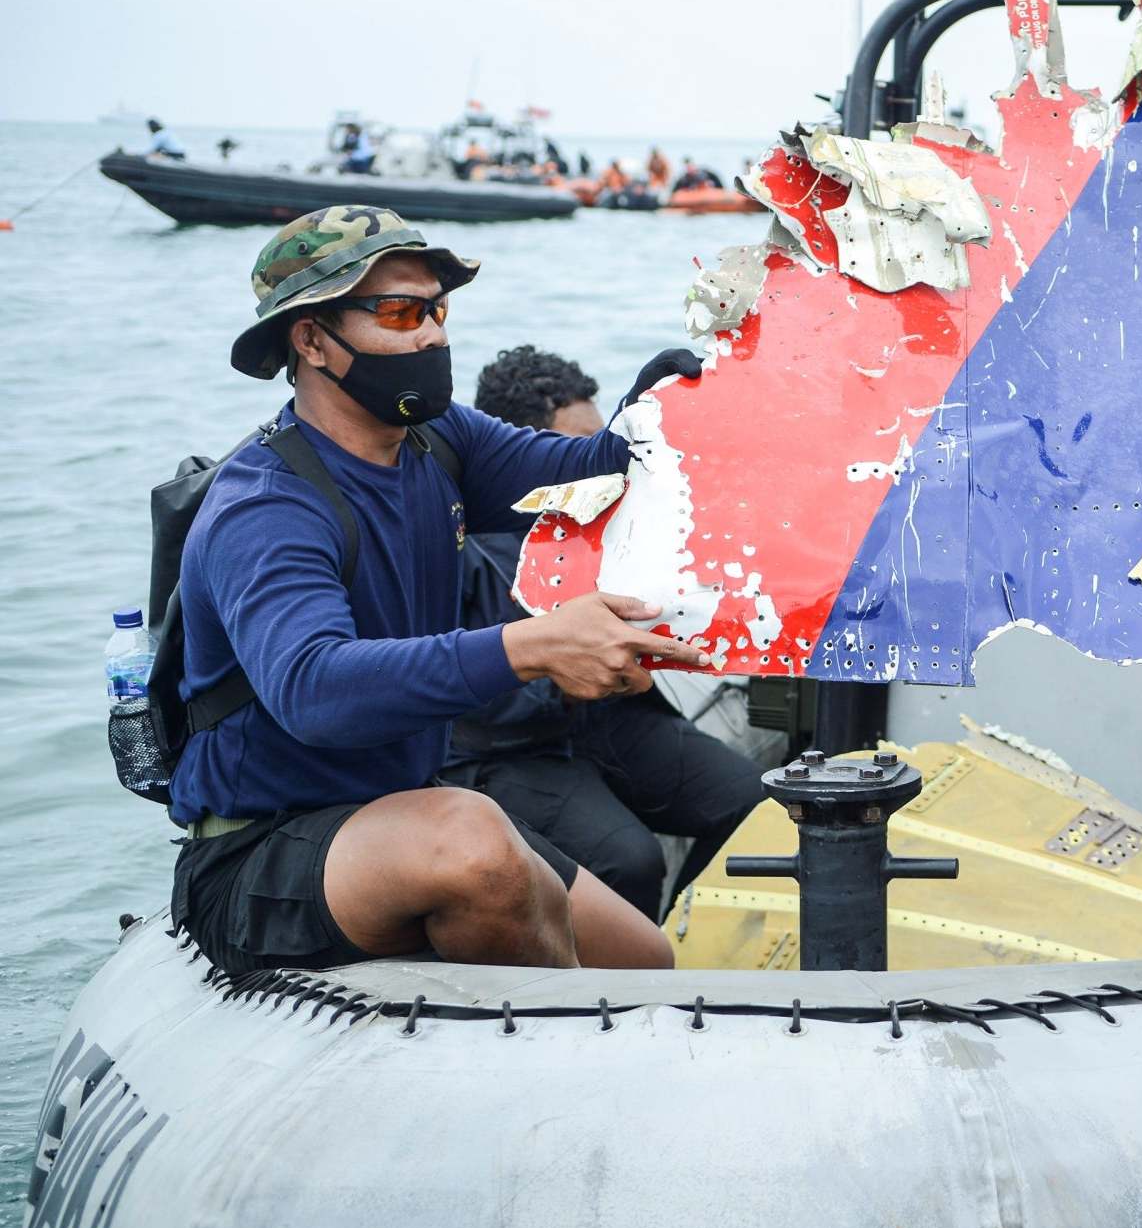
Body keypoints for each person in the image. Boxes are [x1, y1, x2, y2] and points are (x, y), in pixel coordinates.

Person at [169, 204, 716, 982]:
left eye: (438, 308)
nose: (430, 333)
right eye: (398, 311)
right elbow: (313, 689)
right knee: (472, 837)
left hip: (400, 801)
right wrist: (534, 646)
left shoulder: (440, 441)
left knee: (644, 955)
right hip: (263, 847)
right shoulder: (266, 505)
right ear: (312, 338)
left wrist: (660, 403)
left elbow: (591, 471)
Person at [439, 346, 765, 920]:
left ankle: (679, 933)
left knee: (755, 802)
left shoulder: (611, 529)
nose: (598, 470)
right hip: (508, 746)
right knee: (628, 860)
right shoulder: (464, 551)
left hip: (606, 717)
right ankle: (603, 991)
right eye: (572, 448)